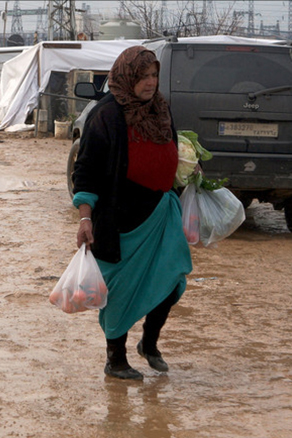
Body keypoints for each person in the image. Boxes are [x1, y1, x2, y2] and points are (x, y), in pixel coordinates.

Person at [72, 46, 193, 381]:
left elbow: (170, 149)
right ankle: (116, 359)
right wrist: (85, 218)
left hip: (160, 213)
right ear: (127, 77)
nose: (150, 83)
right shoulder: (107, 115)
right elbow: (85, 171)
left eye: (154, 75)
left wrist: (185, 170)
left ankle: (150, 343)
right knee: (121, 291)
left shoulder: (161, 109)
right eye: (143, 77)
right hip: (120, 219)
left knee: (171, 282)